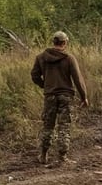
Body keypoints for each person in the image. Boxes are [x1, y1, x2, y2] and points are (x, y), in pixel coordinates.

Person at [31, 31, 89, 166]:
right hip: (66, 96)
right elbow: (77, 79)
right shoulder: (69, 58)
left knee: (47, 126)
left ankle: (43, 155)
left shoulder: (41, 57)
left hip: (49, 96)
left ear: (54, 42)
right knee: (64, 127)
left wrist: (45, 85)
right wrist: (84, 96)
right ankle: (62, 158)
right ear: (65, 43)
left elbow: (34, 75)